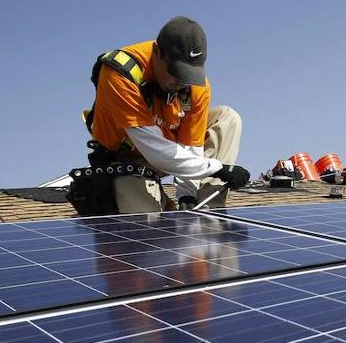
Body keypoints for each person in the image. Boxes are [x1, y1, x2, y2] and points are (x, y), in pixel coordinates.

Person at [69, 16, 250, 215]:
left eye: (187, 75)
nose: (180, 82)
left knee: (227, 117)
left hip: (170, 151)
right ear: (156, 52)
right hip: (125, 162)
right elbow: (156, 151)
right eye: (175, 72)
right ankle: (155, 202)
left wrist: (186, 195)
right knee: (145, 223)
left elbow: (192, 147)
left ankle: (208, 209)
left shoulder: (196, 87)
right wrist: (217, 168)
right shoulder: (121, 72)